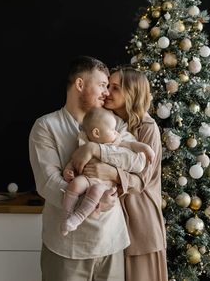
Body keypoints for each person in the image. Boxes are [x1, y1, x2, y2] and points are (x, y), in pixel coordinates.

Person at [29, 55, 147, 281]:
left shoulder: (114, 123)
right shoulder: (46, 126)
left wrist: (96, 150)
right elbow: (48, 183)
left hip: (111, 242)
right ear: (80, 84)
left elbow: (137, 162)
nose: (107, 92)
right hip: (66, 248)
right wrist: (93, 202)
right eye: (102, 85)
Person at [72, 66, 168, 281]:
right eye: (107, 86)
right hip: (112, 221)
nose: (107, 92)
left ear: (131, 93)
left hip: (139, 222)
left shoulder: (147, 127)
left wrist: (110, 170)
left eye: (115, 87)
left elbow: (141, 180)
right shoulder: (105, 120)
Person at [61, 106, 154, 236]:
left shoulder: (116, 141)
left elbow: (132, 146)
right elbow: (75, 158)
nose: (116, 133)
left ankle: (78, 217)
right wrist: (68, 169)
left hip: (104, 183)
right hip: (87, 178)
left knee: (96, 191)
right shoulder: (84, 141)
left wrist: (145, 148)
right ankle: (66, 216)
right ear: (96, 133)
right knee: (75, 184)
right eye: (112, 130)